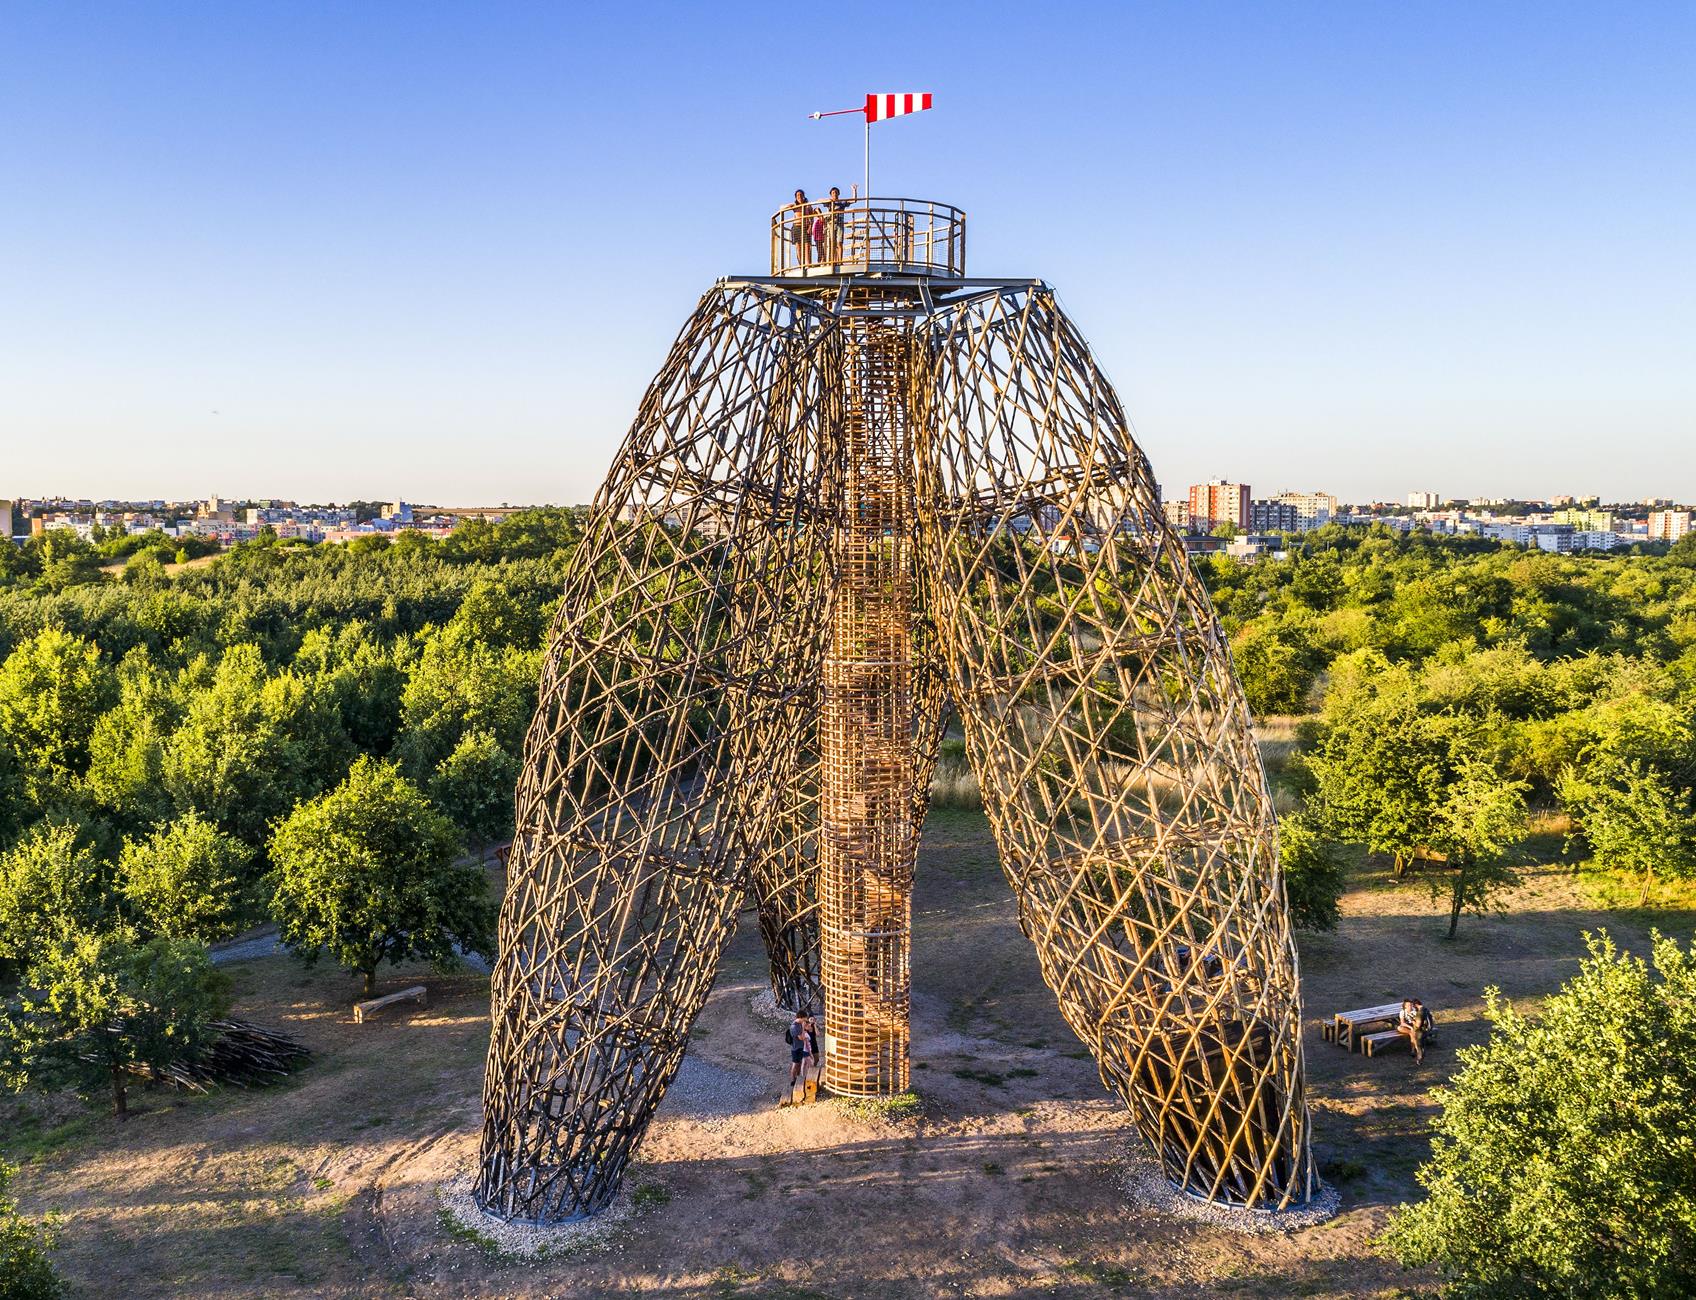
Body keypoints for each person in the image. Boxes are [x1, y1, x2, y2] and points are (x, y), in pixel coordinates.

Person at [786, 1007, 814, 1101]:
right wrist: (802, 1027)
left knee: (801, 1063)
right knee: (795, 1064)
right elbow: (801, 1037)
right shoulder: (794, 1026)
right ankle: (793, 1080)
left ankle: (798, 1078)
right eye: (805, 1018)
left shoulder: (800, 1024)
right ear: (801, 1017)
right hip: (796, 1048)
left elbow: (809, 1030)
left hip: (802, 1047)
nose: (806, 1019)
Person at [785, 189, 815, 268]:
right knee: (798, 246)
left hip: (805, 227)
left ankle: (808, 264)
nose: (799, 196)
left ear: (803, 196)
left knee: (807, 245)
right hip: (796, 227)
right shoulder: (795, 206)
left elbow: (812, 217)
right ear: (795, 197)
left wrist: (810, 226)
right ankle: (801, 265)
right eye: (797, 195)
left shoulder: (808, 206)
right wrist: (790, 205)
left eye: (801, 195)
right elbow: (782, 207)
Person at [822, 186, 850, 262]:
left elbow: (854, 200)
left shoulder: (841, 202)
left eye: (836, 193)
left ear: (838, 194)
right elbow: (819, 200)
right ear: (831, 194)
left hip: (839, 223)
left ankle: (840, 261)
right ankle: (834, 261)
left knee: (839, 243)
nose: (834, 194)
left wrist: (854, 191)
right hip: (831, 224)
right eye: (833, 193)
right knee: (833, 244)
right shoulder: (829, 202)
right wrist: (829, 200)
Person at [1397, 998, 1429, 1063]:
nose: (1410, 1006)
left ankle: (1414, 1050)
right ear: (1405, 1006)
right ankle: (1416, 1050)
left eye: (1411, 1005)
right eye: (1408, 1005)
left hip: (1415, 1026)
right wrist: (1410, 1027)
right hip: (1407, 1026)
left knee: (1412, 1033)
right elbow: (1402, 1023)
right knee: (1399, 1028)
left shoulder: (1415, 1011)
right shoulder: (1402, 1012)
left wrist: (1413, 1025)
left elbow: (1417, 1022)